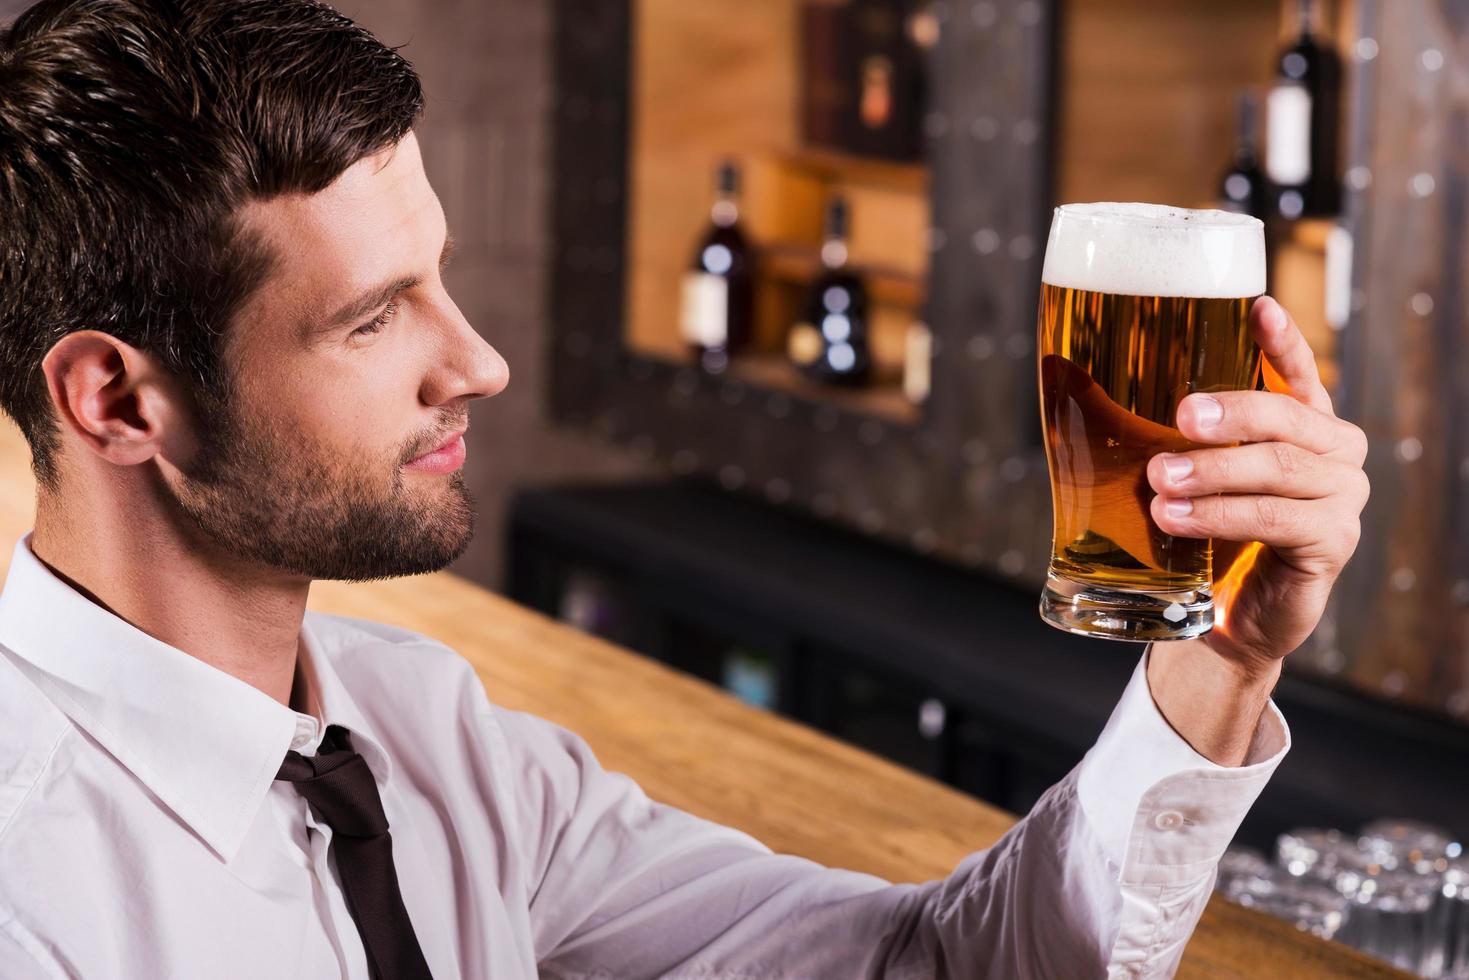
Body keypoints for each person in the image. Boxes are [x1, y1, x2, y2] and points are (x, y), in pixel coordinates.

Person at [0, 1, 1370, 977]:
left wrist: (1222, 665)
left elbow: (935, 967)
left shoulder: (429, 735)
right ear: (118, 400)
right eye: (370, 320)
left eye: (442, 280)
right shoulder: (30, 890)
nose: (477, 361)